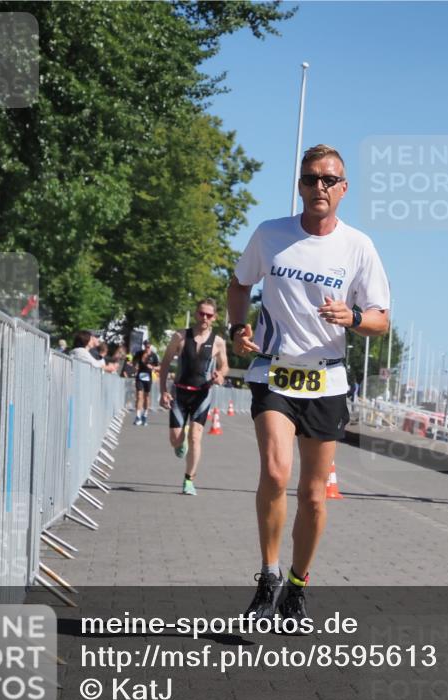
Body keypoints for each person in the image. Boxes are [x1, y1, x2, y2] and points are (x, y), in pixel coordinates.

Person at [228, 144, 390, 624]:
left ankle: (298, 586)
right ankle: (269, 574)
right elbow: (239, 284)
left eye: (328, 180)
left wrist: (354, 315)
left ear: (342, 189)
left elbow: (382, 319)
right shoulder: (270, 235)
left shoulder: (358, 246)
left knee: (314, 495)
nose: (318, 187)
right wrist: (238, 329)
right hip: (274, 370)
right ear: (299, 185)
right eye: (309, 178)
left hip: (326, 378)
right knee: (276, 474)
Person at [158, 298, 228, 496]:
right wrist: (163, 390)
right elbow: (164, 364)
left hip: (202, 394)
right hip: (179, 393)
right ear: (196, 314)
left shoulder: (218, 341)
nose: (204, 318)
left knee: (196, 436)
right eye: (201, 313)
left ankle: (189, 480)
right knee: (175, 440)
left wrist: (220, 375)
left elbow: (225, 365)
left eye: (209, 315)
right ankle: (181, 442)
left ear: (214, 318)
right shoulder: (180, 336)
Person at [133, 340, 159, 426]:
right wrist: (135, 366)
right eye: (145, 346)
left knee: (146, 397)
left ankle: (145, 415)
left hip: (148, 377)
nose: (147, 348)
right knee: (139, 396)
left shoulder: (153, 355)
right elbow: (134, 362)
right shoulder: (139, 353)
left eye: (148, 346)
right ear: (144, 346)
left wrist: (152, 367)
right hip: (140, 376)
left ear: (150, 346)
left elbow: (159, 366)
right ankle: (137, 416)